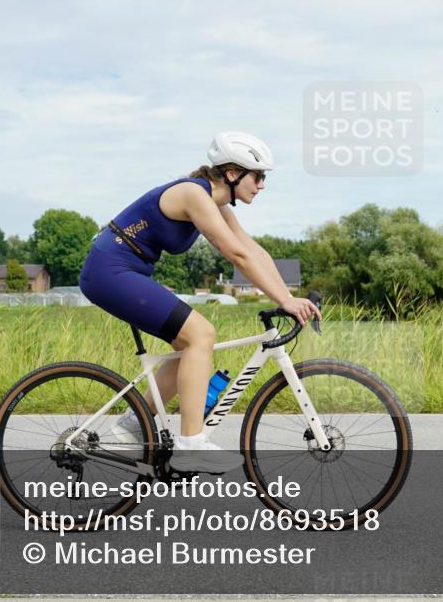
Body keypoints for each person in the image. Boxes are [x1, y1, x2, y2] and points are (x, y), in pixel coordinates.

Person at [78, 132, 322, 474]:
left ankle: (132, 427)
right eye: (259, 176)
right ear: (234, 173)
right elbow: (234, 254)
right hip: (109, 270)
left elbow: (251, 248)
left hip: (127, 271)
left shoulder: (216, 201)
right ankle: (190, 445)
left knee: (187, 345)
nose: (262, 185)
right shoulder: (194, 193)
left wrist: (288, 296)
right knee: (200, 335)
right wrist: (283, 299)